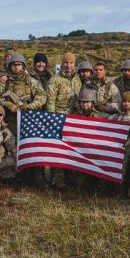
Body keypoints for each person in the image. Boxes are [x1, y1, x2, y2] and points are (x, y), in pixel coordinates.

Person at [46, 53, 83, 188]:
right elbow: (50, 103)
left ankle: (71, 176)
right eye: (66, 63)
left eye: (71, 63)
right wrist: (53, 121)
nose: (68, 65)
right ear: (62, 64)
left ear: (75, 64)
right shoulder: (54, 80)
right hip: (59, 119)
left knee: (71, 149)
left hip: (74, 120)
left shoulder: (78, 80)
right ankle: (57, 178)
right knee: (58, 149)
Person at [0, 54, 47, 134]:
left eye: (19, 65)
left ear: (23, 66)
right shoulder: (5, 81)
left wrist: (30, 106)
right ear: (10, 66)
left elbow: (42, 96)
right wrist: (7, 104)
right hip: (10, 119)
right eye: (14, 65)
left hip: (28, 118)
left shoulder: (31, 81)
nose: (16, 67)